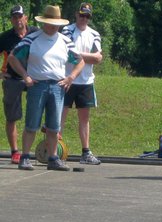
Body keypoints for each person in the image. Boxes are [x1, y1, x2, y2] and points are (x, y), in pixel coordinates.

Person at [8, 5, 85, 171]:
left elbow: (80, 61)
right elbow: (13, 57)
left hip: (57, 86)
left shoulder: (66, 41)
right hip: (37, 84)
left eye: (56, 23)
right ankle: (25, 157)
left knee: (54, 126)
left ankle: (53, 158)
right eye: (50, 23)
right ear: (44, 23)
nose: (53, 26)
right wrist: (25, 76)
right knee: (32, 123)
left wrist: (71, 77)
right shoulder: (32, 38)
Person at [60, 2, 103, 165]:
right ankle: (56, 149)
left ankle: (86, 152)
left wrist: (78, 55)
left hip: (86, 81)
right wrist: (88, 56)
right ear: (76, 15)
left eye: (87, 16)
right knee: (60, 115)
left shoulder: (94, 34)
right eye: (81, 15)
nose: (84, 18)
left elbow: (98, 58)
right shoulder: (67, 30)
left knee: (84, 118)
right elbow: (66, 53)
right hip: (67, 77)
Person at [0, 5, 38, 164]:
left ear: (26, 18)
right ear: (11, 19)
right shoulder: (5, 37)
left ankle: (33, 149)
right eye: (14, 17)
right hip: (13, 78)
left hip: (35, 78)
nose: (17, 20)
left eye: (20, 16)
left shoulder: (36, 33)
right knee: (12, 116)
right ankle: (15, 151)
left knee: (36, 113)